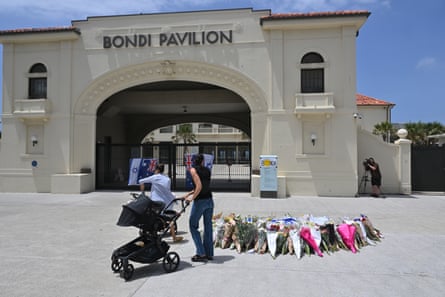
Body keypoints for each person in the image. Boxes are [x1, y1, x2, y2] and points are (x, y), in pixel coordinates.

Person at [138, 164, 183, 242]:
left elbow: (141, 181)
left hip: (156, 204)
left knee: (153, 215)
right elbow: (167, 191)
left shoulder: (154, 177)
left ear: (157, 170)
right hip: (167, 203)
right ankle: (174, 237)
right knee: (169, 218)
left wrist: (142, 193)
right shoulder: (168, 179)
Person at [184, 154, 214, 262]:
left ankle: (201, 253)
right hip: (209, 200)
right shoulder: (207, 171)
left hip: (200, 201)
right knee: (208, 226)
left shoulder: (193, 170)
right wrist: (189, 193)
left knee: (193, 225)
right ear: (202, 161)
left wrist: (191, 198)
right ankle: (209, 253)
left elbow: (199, 186)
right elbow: (203, 186)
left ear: (193, 161)